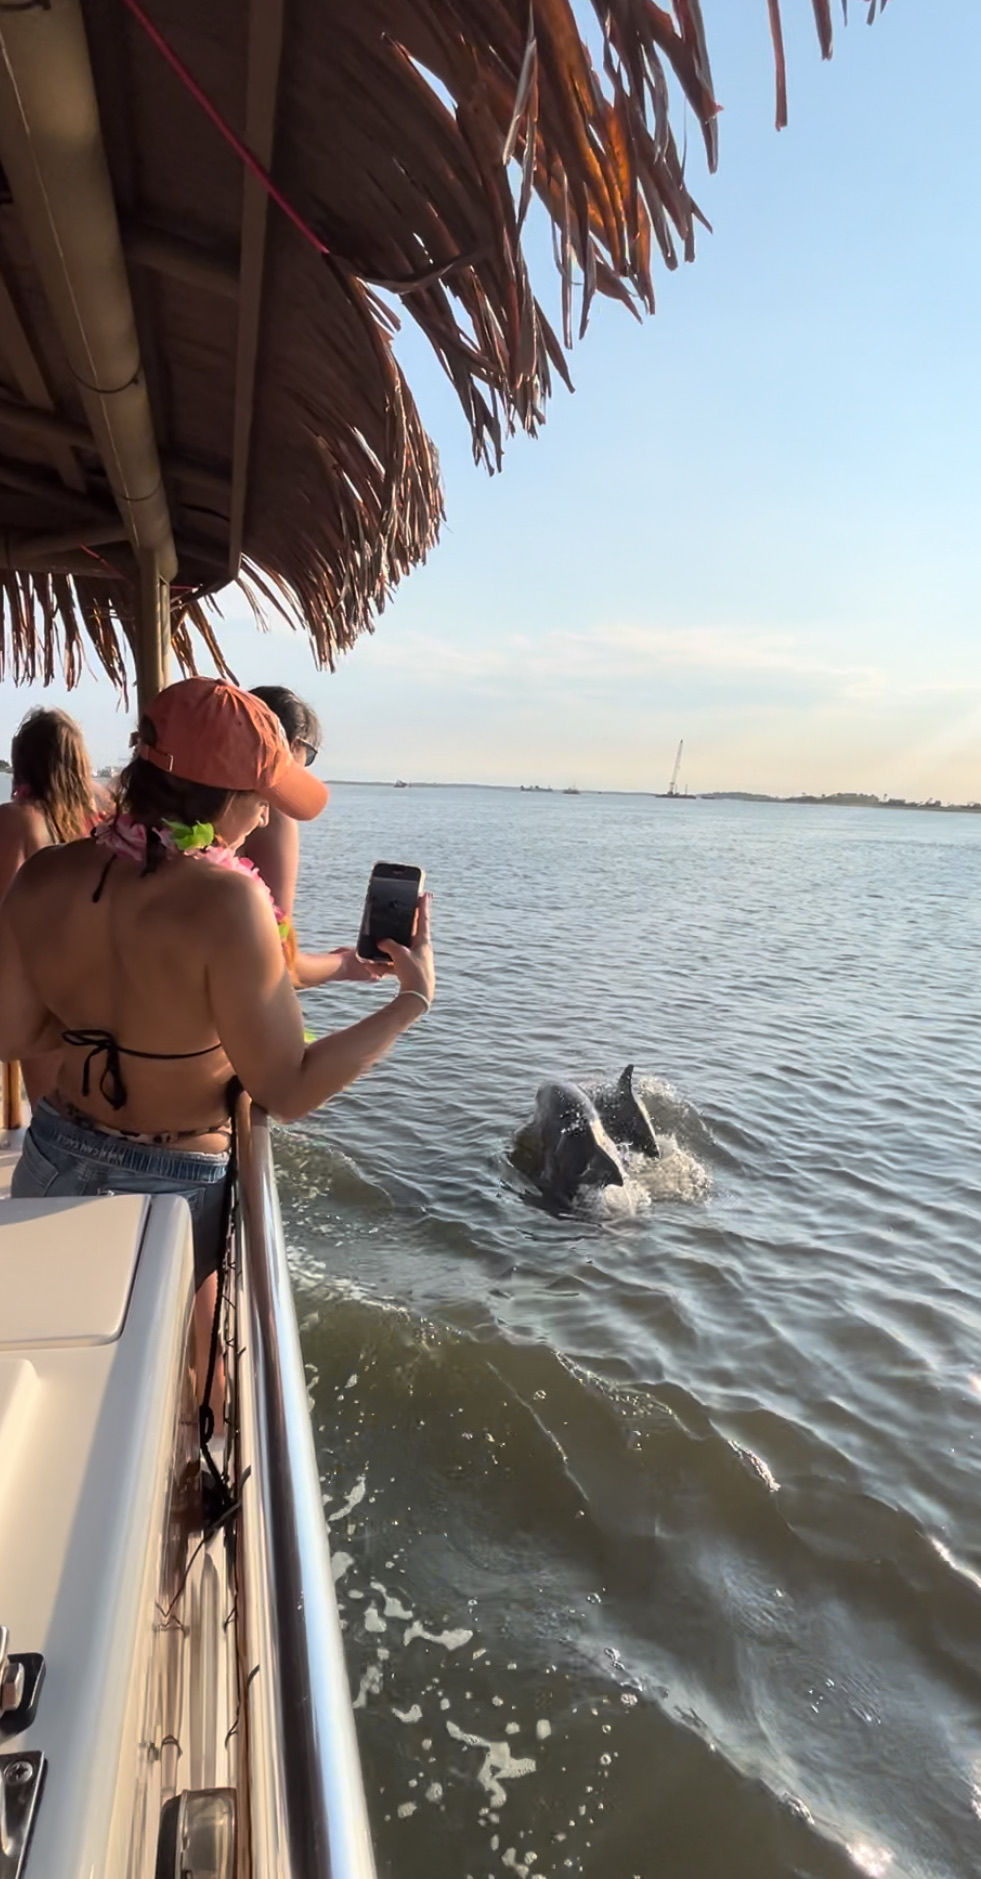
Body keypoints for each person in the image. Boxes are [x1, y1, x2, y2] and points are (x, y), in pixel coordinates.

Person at [0, 677, 434, 1407]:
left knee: (59, 1379)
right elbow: (287, 1088)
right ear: (223, 793)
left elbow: (12, 1031)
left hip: (51, 1156)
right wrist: (409, 1002)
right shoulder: (231, 900)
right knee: (174, 1396)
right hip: (171, 1184)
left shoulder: (47, 873)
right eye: (261, 794)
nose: (266, 811)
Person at [242, 683, 386, 988]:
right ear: (293, 745)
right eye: (308, 756)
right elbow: (275, 961)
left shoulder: (169, 808)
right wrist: (346, 965)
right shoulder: (271, 814)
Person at [0, 708, 100, 1103]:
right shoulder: (93, 825)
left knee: (49, 1110)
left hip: (34, 990)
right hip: (90, 987)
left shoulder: (16, 820)